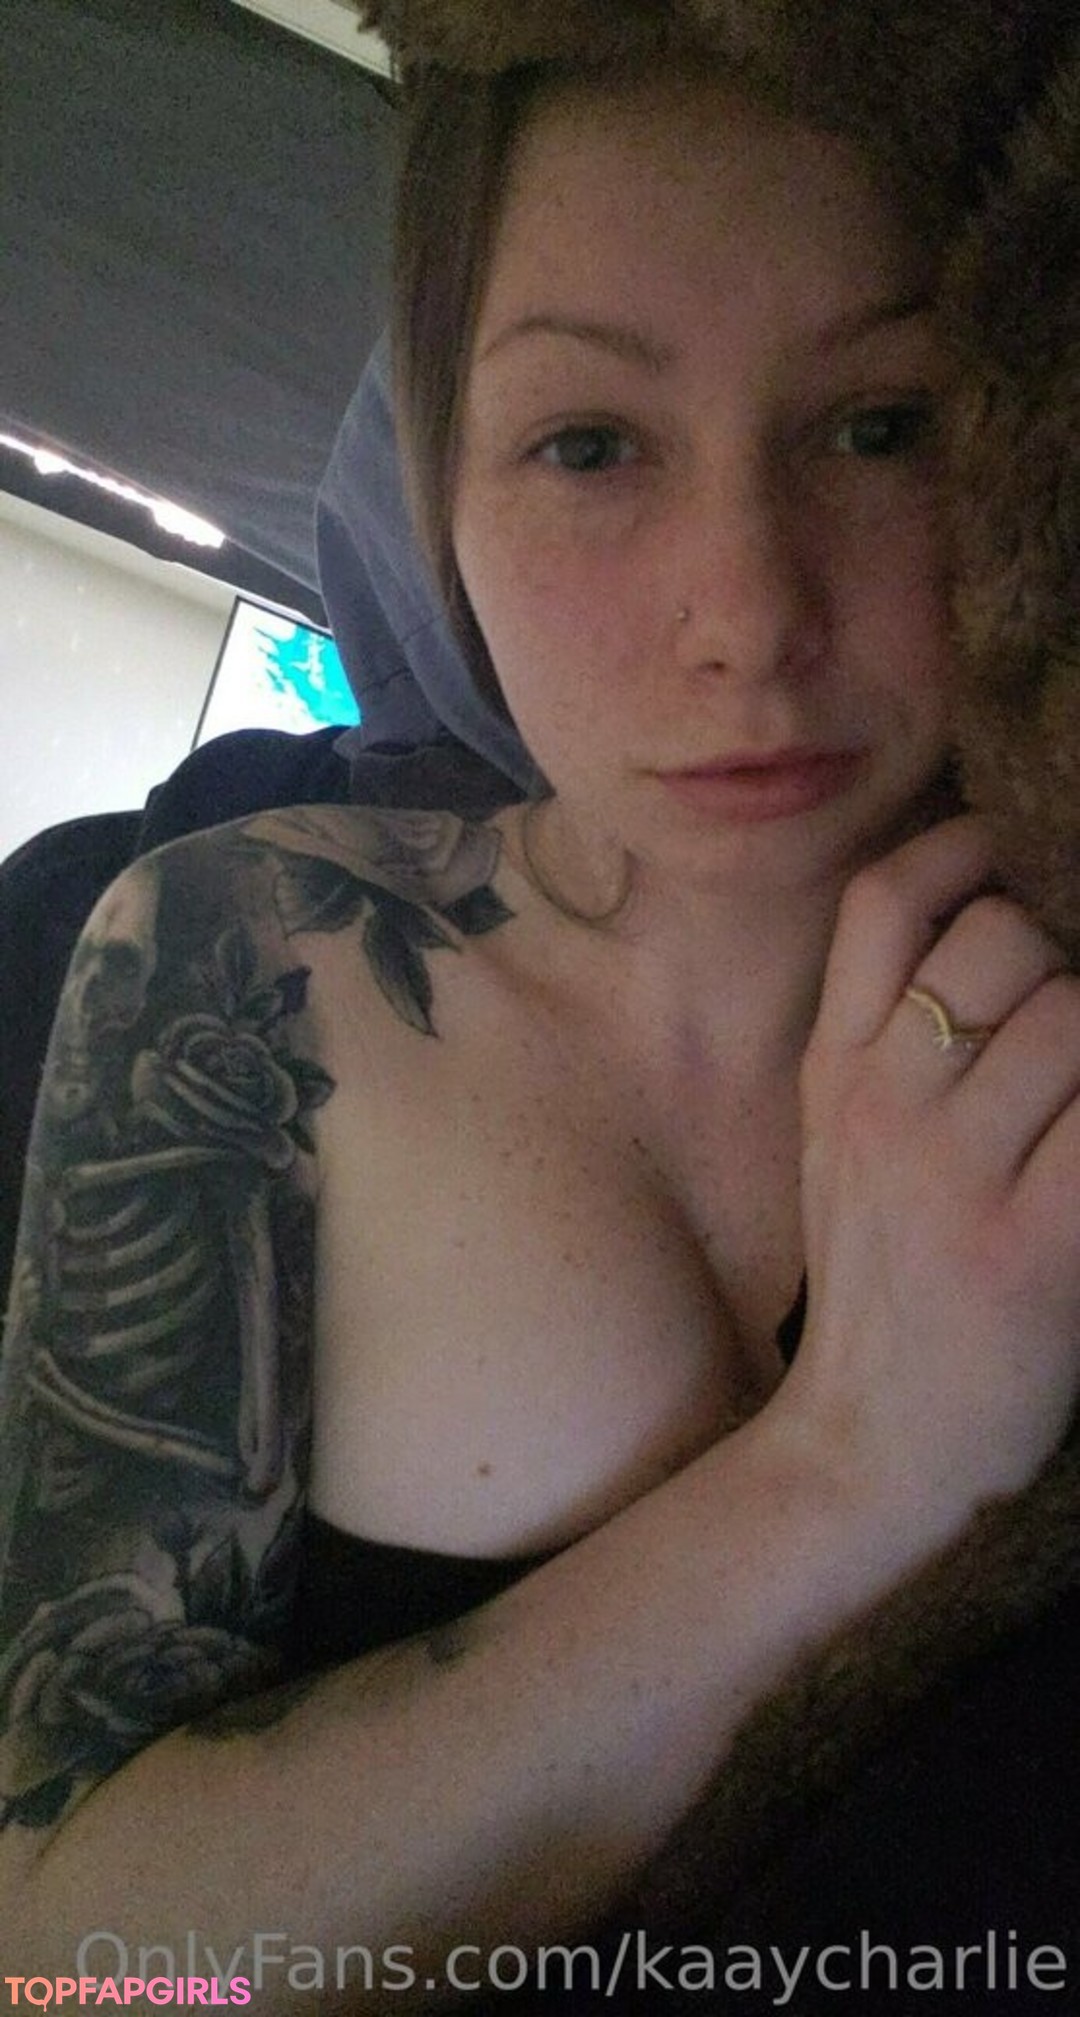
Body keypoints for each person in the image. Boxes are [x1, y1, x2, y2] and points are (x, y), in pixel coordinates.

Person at [3, 46, 1079, 2003]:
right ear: (436, 487)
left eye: (882, 426)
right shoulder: (250, 953)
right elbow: (78, 1967)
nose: (747, 614)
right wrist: (859, 1463)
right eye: (590, 445)